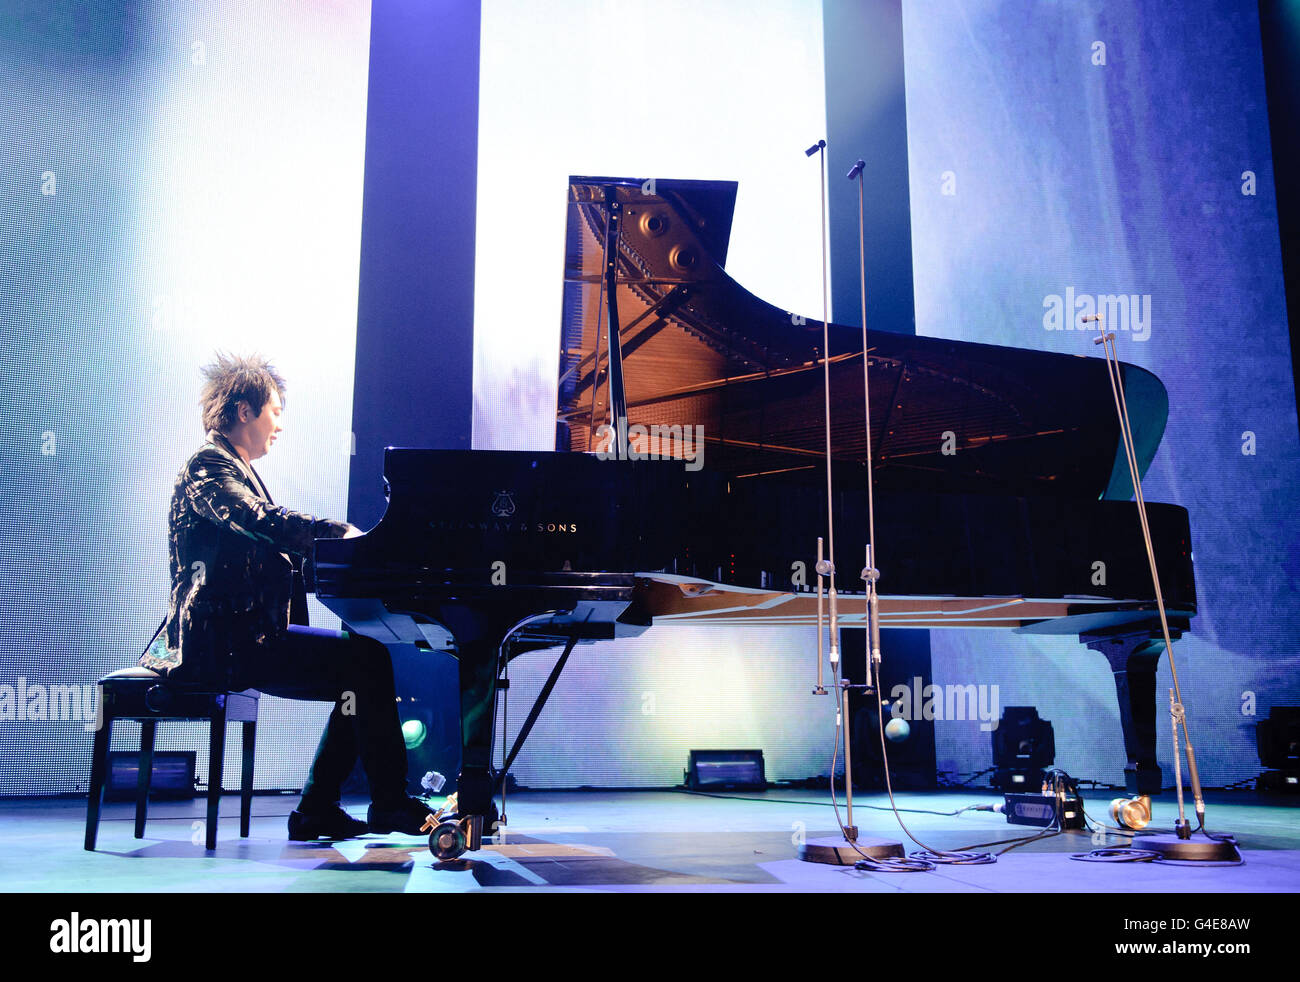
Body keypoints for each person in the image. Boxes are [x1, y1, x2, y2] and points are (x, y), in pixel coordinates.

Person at [140, 352, 431, 840]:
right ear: (243, 411)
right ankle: (376, 803)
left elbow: (265, 544)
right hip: (215, 642)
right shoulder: (207, 465)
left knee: (362, 663)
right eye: (275, 411)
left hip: (242, 635)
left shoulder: (232, 466)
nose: (280, 425)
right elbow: (258, 521)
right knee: (364, 663)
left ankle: (323, 806)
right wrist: (339, 533)